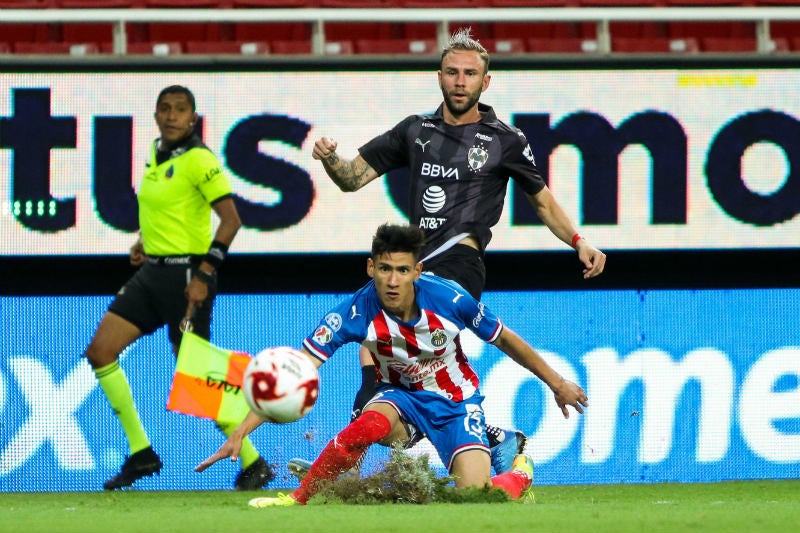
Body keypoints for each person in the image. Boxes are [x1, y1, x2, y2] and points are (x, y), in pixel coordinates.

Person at [294, 27, 606, 478]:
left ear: (485, 81)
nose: (461, 81)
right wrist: (330, 161)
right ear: (439, 76)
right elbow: (353, 178)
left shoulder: (505, 139)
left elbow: (541, 200)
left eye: (470, 74)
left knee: (387, 336)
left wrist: (578, 241)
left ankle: (351, 462)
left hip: (460, 265)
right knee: (379, 352)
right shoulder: (415, 131)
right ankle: (490, 438)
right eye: (453, 72)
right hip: (416, 264)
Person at [196, 223, 589, 507]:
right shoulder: (352, 312)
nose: (393, 280)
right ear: (371, 268)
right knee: (365, 426)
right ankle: (298, 498)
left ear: (417, 271)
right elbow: (294, 373)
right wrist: (243, 429)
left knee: (475, 496)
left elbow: (504, 337)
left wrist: (557, 383)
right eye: (385, 269)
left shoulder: (451, 300)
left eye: (403, 270)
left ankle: (520, 470)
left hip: (454, 402)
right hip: (399, 398)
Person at [84, 85, 273, 491]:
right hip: (152, 273)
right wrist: (145, 243)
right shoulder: (155, 155)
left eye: (180, 110)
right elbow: (166, 211)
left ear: (193, 118)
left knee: (197, 377)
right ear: (155, 115)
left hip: (188, 276)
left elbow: (231, 221)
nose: (171, 116)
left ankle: (254, 460)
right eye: (164, 109)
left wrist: (205, 273)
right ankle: (141, 452)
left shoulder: (200, 160)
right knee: (100, 351)